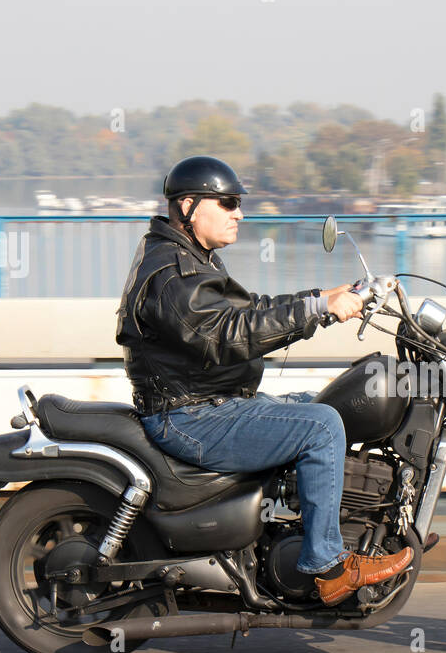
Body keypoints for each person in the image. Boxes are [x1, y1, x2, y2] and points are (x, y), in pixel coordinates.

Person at [116, 156, 413, 606]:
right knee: (321, 425)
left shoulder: (186, 255)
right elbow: (228, 334)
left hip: (210, 401)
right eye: (229, 202)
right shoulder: (173, 272)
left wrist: (322, 297)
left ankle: (362, 527)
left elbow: (245, 310)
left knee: (321, 403)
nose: (240, 213)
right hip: (189, 415)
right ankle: (327, 565)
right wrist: (316, 311)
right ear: (190, 206)